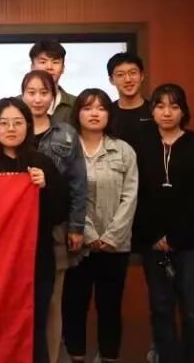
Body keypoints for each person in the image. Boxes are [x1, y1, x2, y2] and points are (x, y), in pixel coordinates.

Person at [0, 97, 67, 363]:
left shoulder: (42, 163)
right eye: (3, 123)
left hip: (36, 260)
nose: (11, 129)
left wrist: (45, 187)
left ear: (28, 126)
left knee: (34, 325)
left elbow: (60, 213)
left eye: (17, 122)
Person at [136, 84, 194, 363]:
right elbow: (136, 195)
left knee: (192, 311)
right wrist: (154, 236)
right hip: (152, 242)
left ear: (183, 111)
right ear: (152, 111)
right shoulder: (142, 146)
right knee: (161, 308)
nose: (166, 112)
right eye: (160, 106)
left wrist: (174, 238)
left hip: (192, 243)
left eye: (174, 106)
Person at [62, 89, 138, 363]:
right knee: (74, 308)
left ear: (109, 114)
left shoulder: (124, 150)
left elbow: (130, 195)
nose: (94, 113)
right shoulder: (67, 150)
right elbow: (68, 195)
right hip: (78, 245)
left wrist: (112, 236)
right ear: (77, 113)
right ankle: (77, 357)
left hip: (115, 246)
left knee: (110, 309)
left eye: (101, 108)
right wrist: (89, 234)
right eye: (87, 108)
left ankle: (108, 357)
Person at [21, 69, 87, 363]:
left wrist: (76, 227)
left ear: (53, 96)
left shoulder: (66, 134)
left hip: (54, 227)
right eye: (31, 92)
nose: (37, 99)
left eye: (44, 93)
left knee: (51, 302)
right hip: (15, 231)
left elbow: (78, 183)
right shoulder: (11, 127)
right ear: (22, 94)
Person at [107, 51, 153, 154]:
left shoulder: (155, 110)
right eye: (120, 75)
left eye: (133, 73)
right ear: (111, 80)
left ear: (142, 76)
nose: (128, 79)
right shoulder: (107, 113)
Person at [29, 39, 75, 123]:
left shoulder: (76, 104)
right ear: (32, 67)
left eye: (55, 62)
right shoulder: (17, 104)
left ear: (63, 68)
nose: (49, 67)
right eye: (43, 62)